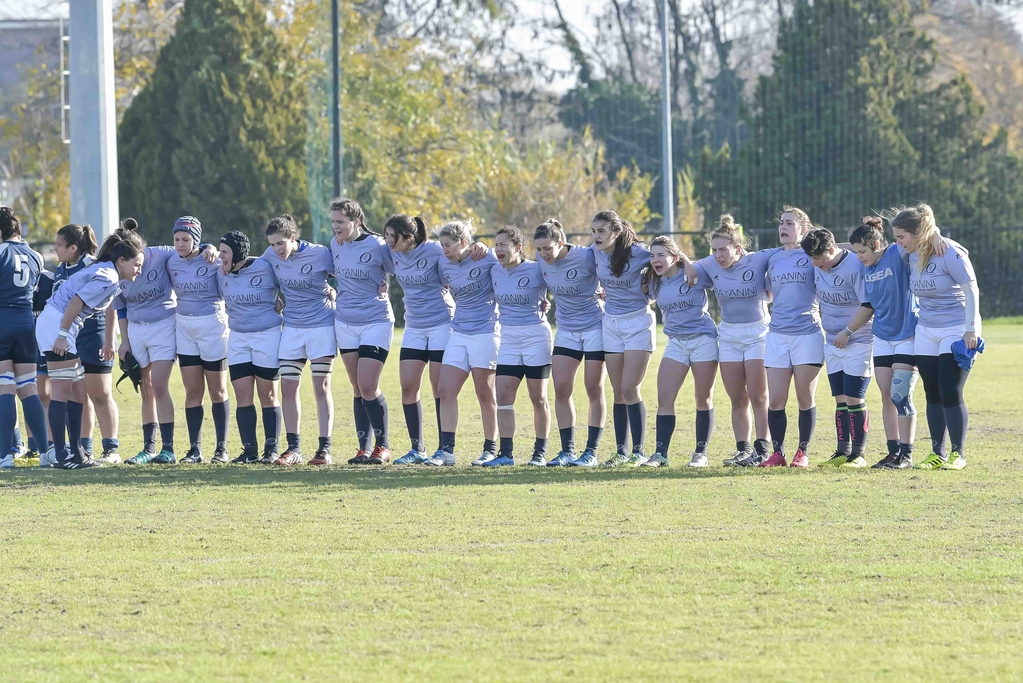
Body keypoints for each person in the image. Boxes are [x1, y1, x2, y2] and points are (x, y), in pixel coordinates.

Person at [35, 225, 145, 469]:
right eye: (136, 264)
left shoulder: (108, 273)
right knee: (62, 391)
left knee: (77, 390)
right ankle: (62, 455)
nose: (139, 269)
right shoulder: (108, 275)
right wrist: (63, 335)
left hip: (61, 325)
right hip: (57, 325)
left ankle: (76, 453)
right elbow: (75, 302)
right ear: (122, 260)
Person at [894, 204, 979, 471]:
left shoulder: (949, 251)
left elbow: (971, 289)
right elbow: (870, 250)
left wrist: (971, 329)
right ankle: (936, 453)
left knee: (950, 390)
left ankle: (958, 454)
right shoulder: (910, 252)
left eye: (901, 237)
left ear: (917, 232)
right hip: (926, 330)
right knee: (931, 392)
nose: (898, 242)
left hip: (956, 327)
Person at [590, 210, 675, 467]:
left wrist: (652, 286)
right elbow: (566, 253)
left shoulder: (639, 252)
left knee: (629, 388)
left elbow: (670, 260)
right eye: (593, 231)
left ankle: (639, 451)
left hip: (638, 322)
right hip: (611, 323)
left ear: (615, 233)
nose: (596, 236)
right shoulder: (593, 251)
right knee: (618, 391)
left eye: (601, 231)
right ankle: (621, 451)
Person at [690, 215, 776, 467]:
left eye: (723, 250)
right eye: (714, 250)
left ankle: (763, 449)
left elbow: (789, 254)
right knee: (737, 397)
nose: (718, 255)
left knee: (758, 395)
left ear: (738, 249)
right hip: (728, 335)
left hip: (758, 333)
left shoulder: (757, 259)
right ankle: (743, 449)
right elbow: (687, 267)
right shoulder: (709, 264)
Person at [262, 214, 336, 466]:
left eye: (281, 243)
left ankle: (324, 449)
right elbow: (254, 272)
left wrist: (336, 290)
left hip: (322, 326)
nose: (276, 249)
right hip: (292, 327)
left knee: (320, 387)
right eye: (272, 244)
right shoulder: (270, 255)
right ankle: (293, 449)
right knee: (288, 388)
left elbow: (346, 273)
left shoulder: (320, 254)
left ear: (293, 238)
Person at [848, 216, 921, 469]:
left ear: (877, 244)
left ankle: (907, 454)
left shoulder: (896, 254)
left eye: (863, 251)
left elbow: (918, 239)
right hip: (882, 338)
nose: (859, 256)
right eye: (856, 252)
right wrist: (848, 331)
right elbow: (868, 306)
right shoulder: (867, 267)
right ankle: (893, 452)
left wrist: (937, 237)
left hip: (908, 335)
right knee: (887, 396)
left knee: (901, 395)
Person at [534, 219, 606, 467]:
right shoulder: (542, 258)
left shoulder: (586, 256)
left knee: (593, 388)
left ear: (560, 243)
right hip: (566, 330)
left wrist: (608, 291)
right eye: (539, 249)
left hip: (595, 328)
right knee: (561, 388)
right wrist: (543, 301)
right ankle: (568, 451)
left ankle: (591, 452)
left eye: (547, 249)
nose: (543, 254)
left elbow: (609, 272)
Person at [430, 220, 501, 467]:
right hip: (458, 332)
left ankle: (490, 449)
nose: (444, 250)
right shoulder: (443, 262)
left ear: (463, 243)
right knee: (444, 389)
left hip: (486, 332)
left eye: (448, 245)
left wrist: (483, 245)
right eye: (442, 245)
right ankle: (446, 451)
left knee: (485, 393)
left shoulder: (487, 257)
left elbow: (516, 265)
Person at [384, 214, 454, 465]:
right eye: (387, 235)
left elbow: (462, 255)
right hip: (413, 326)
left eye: (393, 236)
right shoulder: (391, 252)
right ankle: (417, 449)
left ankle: (444, 449)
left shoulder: (435, 250)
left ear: (409, 238)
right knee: (408, 387)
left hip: (441, 324)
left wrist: (476, 246)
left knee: (440, 388)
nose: (388, 240)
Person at [801, 228, 874, 468]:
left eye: (818, 258)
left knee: (855, 397)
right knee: (840, 398)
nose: (814, 263)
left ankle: (859, 455)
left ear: (831, 251)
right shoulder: (817, 262)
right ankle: (842, 452)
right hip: (832, 342)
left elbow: (868, 304)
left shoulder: (854, 266)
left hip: (859, 341)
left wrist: (848, 332)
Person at [330, 198, 394, 466]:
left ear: (355, 221)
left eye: (340, 222)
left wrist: (386, 283)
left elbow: (401, 262)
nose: (335, 228)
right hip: (345, 322)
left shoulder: (378, 245)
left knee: (368, 384)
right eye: (333, 222)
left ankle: (383, 446)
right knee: (357, 387)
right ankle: (363, 448)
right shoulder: (335, 244)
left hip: (375, 321)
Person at [643, 236, 717, 467]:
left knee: (702, 398)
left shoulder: (695, 273)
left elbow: (721, 278)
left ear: (674, 257)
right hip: (676, 342)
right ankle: (660, 454)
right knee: (665, 397)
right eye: (652, 255)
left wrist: (688, 262)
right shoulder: (654, 281)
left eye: (661, 255)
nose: (655, 260)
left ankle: (700, 454)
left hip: (703, 339)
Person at [52, 224, 120, 464]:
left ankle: (111, 448)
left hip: (94, 334)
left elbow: (111, 304)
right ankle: (84, 447)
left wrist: (110, 338)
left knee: (100, 393)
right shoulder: (60, 268)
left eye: (59, 245)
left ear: (74, 247)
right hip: (70, 337)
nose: (55, 249)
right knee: (77, 393)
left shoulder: (93, 265)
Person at [761, 207, 823, 469]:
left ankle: (803, 452)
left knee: (804, 397)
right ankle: (778, 453)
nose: (783, 227)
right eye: (781, 223)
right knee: (775, 399)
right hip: (777, 335)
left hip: (807, 334)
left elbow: (841, 250)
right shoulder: (772, 258)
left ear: (803, 230)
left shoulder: (812, 255)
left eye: (790, 223)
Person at [217, 230, 283, 464]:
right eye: (220, 250)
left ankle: (271, 450)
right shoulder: (220, 271)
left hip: (268, 336)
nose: (220, 255)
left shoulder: (265, 266)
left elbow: (288, 283)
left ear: (238, 253)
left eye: (225, 252)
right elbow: (201, 252)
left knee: (268, 394)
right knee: (242, 395)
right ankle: (249, 451)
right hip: (237, 339)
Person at [168, 216, 231, 464]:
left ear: (196, 239)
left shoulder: (212, 260)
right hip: (184, 326)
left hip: (212, 325)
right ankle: (194, 450)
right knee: (192, 390)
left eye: (186, 239)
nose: (180, 244)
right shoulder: (170, 259)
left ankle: (222, 448)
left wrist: (209, 247)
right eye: (176, 239)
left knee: (218, 390)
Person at [489, 227, 551, 466]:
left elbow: (559, 283)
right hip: (508, 338)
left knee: (538, 398)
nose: (498, 249)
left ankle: (540, 453)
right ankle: (506, 454)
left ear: (518, 247)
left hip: (536, 335)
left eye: (503, 244)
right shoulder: (493, 269)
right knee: (503, 395)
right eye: (496, 245)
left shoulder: (537, 269)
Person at [0, 206, 50, 469]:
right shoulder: (36, 255)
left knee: (4, 388)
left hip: (2, 321)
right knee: (28, 388)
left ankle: (5, 456)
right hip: (26, 322)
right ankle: (44, 453)